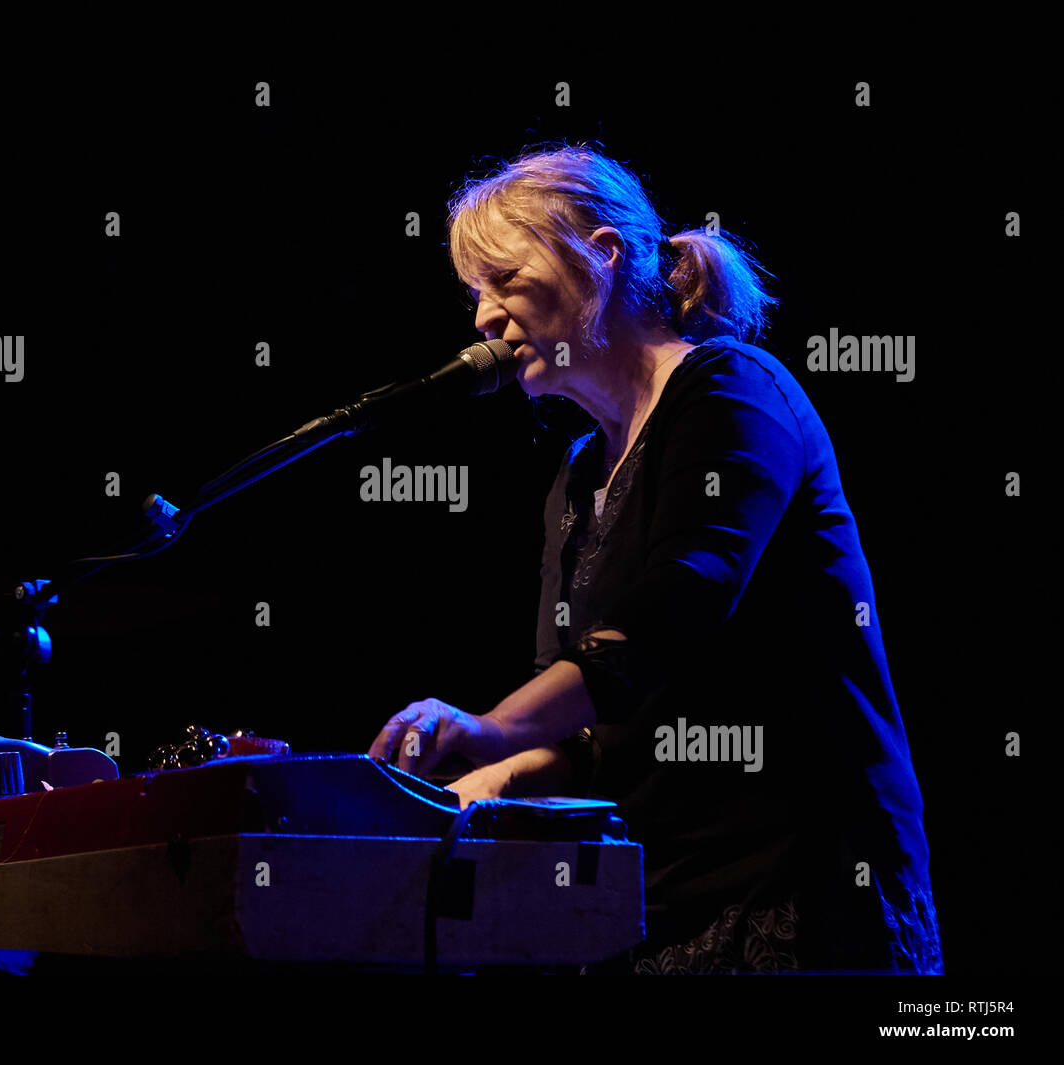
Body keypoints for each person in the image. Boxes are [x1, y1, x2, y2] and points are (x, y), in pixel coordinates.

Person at [366, 145, 942, 975]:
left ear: (601, 253)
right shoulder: (577, 478)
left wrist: (491, 725)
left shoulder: (733, 390)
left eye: (503, 278)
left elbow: (675, 611)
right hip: (657, 904)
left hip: (802, 890)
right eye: (473, 295)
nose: (484, 318)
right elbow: (591, 734)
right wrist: (465, 788)